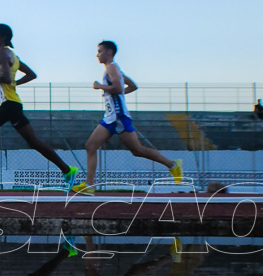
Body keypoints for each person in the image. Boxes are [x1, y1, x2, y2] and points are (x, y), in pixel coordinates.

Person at [0, 24, 77, 189]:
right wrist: (15, 84)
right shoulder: (13, 55)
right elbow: (31, 75)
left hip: (9, 106)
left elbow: (5, 77)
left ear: (3, 37)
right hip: (12, 105)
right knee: (32, 142)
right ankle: (67, 170)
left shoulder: (2, 52)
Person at [72, 41, 182, 195]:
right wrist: (114, 95)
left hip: (119, 117)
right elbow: (132, 86)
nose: (97, 55)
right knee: (91, 146)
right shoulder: (114, 70)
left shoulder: (112, 67)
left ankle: (172, 165)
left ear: (109, 52)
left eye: (100, 51)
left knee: (137, 150)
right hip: (111, 117)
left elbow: (117, 88)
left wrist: (100, 87)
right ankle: (89, 186)